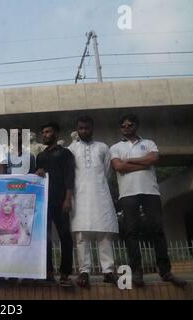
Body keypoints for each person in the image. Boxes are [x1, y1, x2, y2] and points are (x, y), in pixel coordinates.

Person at [110, 114, 186, 288]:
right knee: (131, 232)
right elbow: (118, 167)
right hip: (128, 194)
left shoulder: (149, 143)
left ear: (136, 126)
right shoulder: (116, 147)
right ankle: (136, 272)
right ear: (121, 128)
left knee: (157, 230)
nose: (127, 127)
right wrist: (144, 164)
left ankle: (165, 271)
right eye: (123, 125)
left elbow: (154, 159)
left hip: (150, 192)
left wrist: (129, 160)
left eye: (130, 124)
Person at [68, 116, 119, 288]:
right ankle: (84, 271)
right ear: (77, 129)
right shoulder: (71, 149)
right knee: (81, 235)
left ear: (92, 129)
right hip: (79, 196)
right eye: (81, 128)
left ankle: (108, 271)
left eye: (87, 128)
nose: (84, 131)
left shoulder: (103, 147)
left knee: (104, 234)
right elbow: (70, 174)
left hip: (100, 194)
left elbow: (107, 172)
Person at [36, 122, 75, 287]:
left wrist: (68, 198)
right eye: (43, 132)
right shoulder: (40, 156)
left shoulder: (65, 153)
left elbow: (69, 176)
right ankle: (48, 272)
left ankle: (65, 273)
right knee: (45, 238)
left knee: (65, 236)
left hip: (61, 201)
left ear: (56, 134)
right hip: (44, 202)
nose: (44, 135)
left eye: (48, 132)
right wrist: (37, 173)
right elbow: (37, 179)